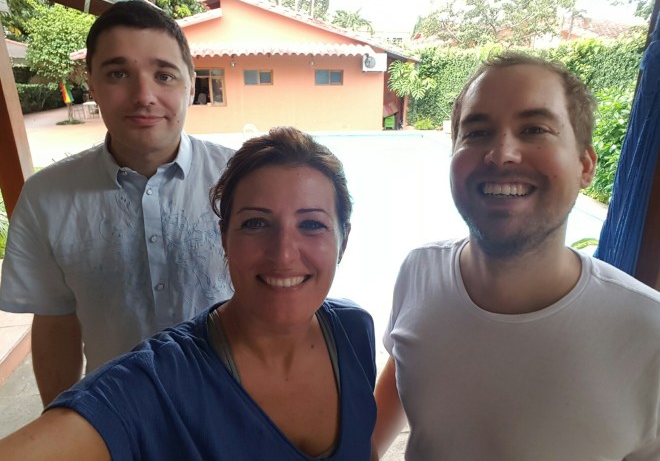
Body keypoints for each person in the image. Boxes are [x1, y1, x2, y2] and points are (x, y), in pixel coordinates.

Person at [0, 126, 378, 461]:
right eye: (255, 223)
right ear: (224, 239)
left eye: (312, 224)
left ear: (343, 241)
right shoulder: (156, 383)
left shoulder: (352, 330)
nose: (283, 254)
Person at [374, 52, 660, 460]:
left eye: (534, 129)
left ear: (585, 166)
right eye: (477, 132)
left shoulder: (648, 334)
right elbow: (404, 366)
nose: (502, 153)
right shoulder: (419, 272)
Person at [0, 0, 234, 405]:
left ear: (189, 84)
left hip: (232, 403)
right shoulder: (47, 198)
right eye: (118, 74)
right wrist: (63, 421)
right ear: (91, 84)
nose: (144, 96)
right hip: (114, 413)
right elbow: (56, 321)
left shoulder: (243, 182)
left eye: (164, 75)